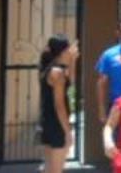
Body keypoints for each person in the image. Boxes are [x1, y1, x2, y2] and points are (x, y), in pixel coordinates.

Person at [40, 34, 80, 173]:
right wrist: (68, 131)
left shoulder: (52, 69)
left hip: (48, 122)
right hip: (56, 124)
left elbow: (71, 82)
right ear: (63, 51)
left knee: (49, 169)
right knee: (56, 170)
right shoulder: (57, 72)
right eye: (69, 49)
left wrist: (73, 60)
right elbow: (60, 105)